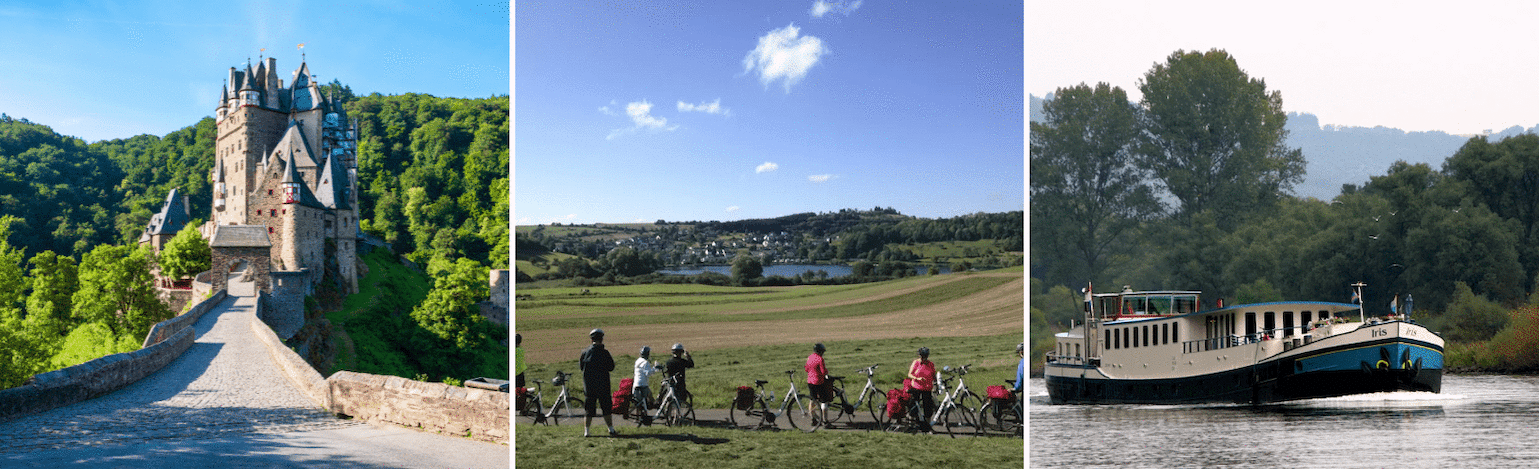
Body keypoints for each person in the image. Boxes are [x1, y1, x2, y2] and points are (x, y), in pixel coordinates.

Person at [579, 328, 617, 437]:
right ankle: (611, 429)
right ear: (602, 339)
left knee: (589, 410)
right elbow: (611, 367)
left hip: (589, 386)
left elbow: (581, 367)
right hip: (603, 385)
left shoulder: (585, 352)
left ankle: (587, 431)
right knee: (606, 408)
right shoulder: (605, 353)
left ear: (591, 340)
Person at [906, 347, 937, 433]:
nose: (923, 359)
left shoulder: (930, 364)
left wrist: (936, 383)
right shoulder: (916, 363)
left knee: (928, 407)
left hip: (927, 388)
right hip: (916, 387)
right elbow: (910, 374)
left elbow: (933, 375)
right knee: (913, 406)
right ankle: (911, 424)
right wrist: (917, 378)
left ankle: (927, 426)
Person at [805, 343, 832, 427]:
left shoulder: (809, 358)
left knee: (813, 400)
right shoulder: (820, 359)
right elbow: (823, 372)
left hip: (810, 382)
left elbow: (806, 369)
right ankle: (825, 421)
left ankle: (813, 419)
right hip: (819, 382)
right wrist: (827, 372)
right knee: (824, 401)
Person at [633, 346, 656, 413]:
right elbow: (648, 373)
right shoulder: (645, 362)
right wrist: (655, 368)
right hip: (643, 384)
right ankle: (650, 410)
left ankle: (638, 417)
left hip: (636, 383)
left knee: (639, 402)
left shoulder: (638, 361)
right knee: (648, 398)